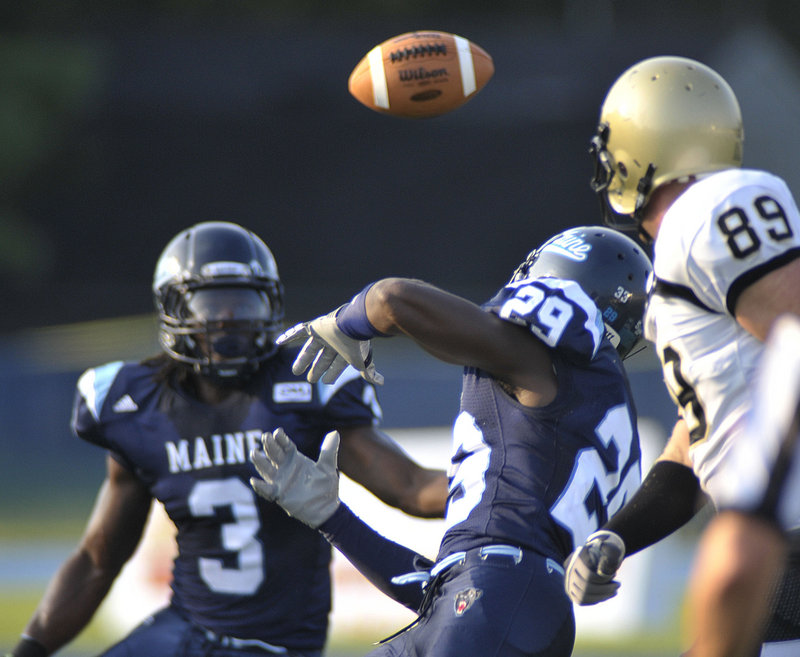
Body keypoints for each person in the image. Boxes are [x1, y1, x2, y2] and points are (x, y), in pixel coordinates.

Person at [5, 221, 448, 657]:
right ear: (174, 311)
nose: (230, 320)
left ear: (271, 305)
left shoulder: (305, 381)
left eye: (244, 303)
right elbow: (98, 560)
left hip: (275, 646)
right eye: (212, 305)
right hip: (180, 630)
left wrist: (502, 488)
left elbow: (410, 487)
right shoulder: (136, 404)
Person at [250, 225, 653, 657]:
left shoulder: (538, 361)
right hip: (508, 603)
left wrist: (347, 322)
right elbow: (448, 590)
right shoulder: (582, 416)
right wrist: (330, 517)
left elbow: (392, 299)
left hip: (503, 600)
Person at [563, 55, 800, 657]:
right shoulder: (688, 257)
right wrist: (616, 536)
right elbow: (702, 441)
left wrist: (759, 512)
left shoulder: (709, 208)